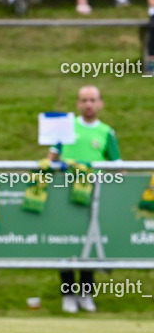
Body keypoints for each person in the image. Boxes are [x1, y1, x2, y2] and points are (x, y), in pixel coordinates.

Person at [44, 85, 121, 313]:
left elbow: (118, 166)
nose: (88, 104)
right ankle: (68, 294)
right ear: (78, 103)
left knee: (89, 241)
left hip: (93, 196)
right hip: (65, 195)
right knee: (64, 242)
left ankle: (86, 294)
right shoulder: (66, 128)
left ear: (100, 103)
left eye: (92, 100)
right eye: (84, 100)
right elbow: (51, 158)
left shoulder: (106, 132)